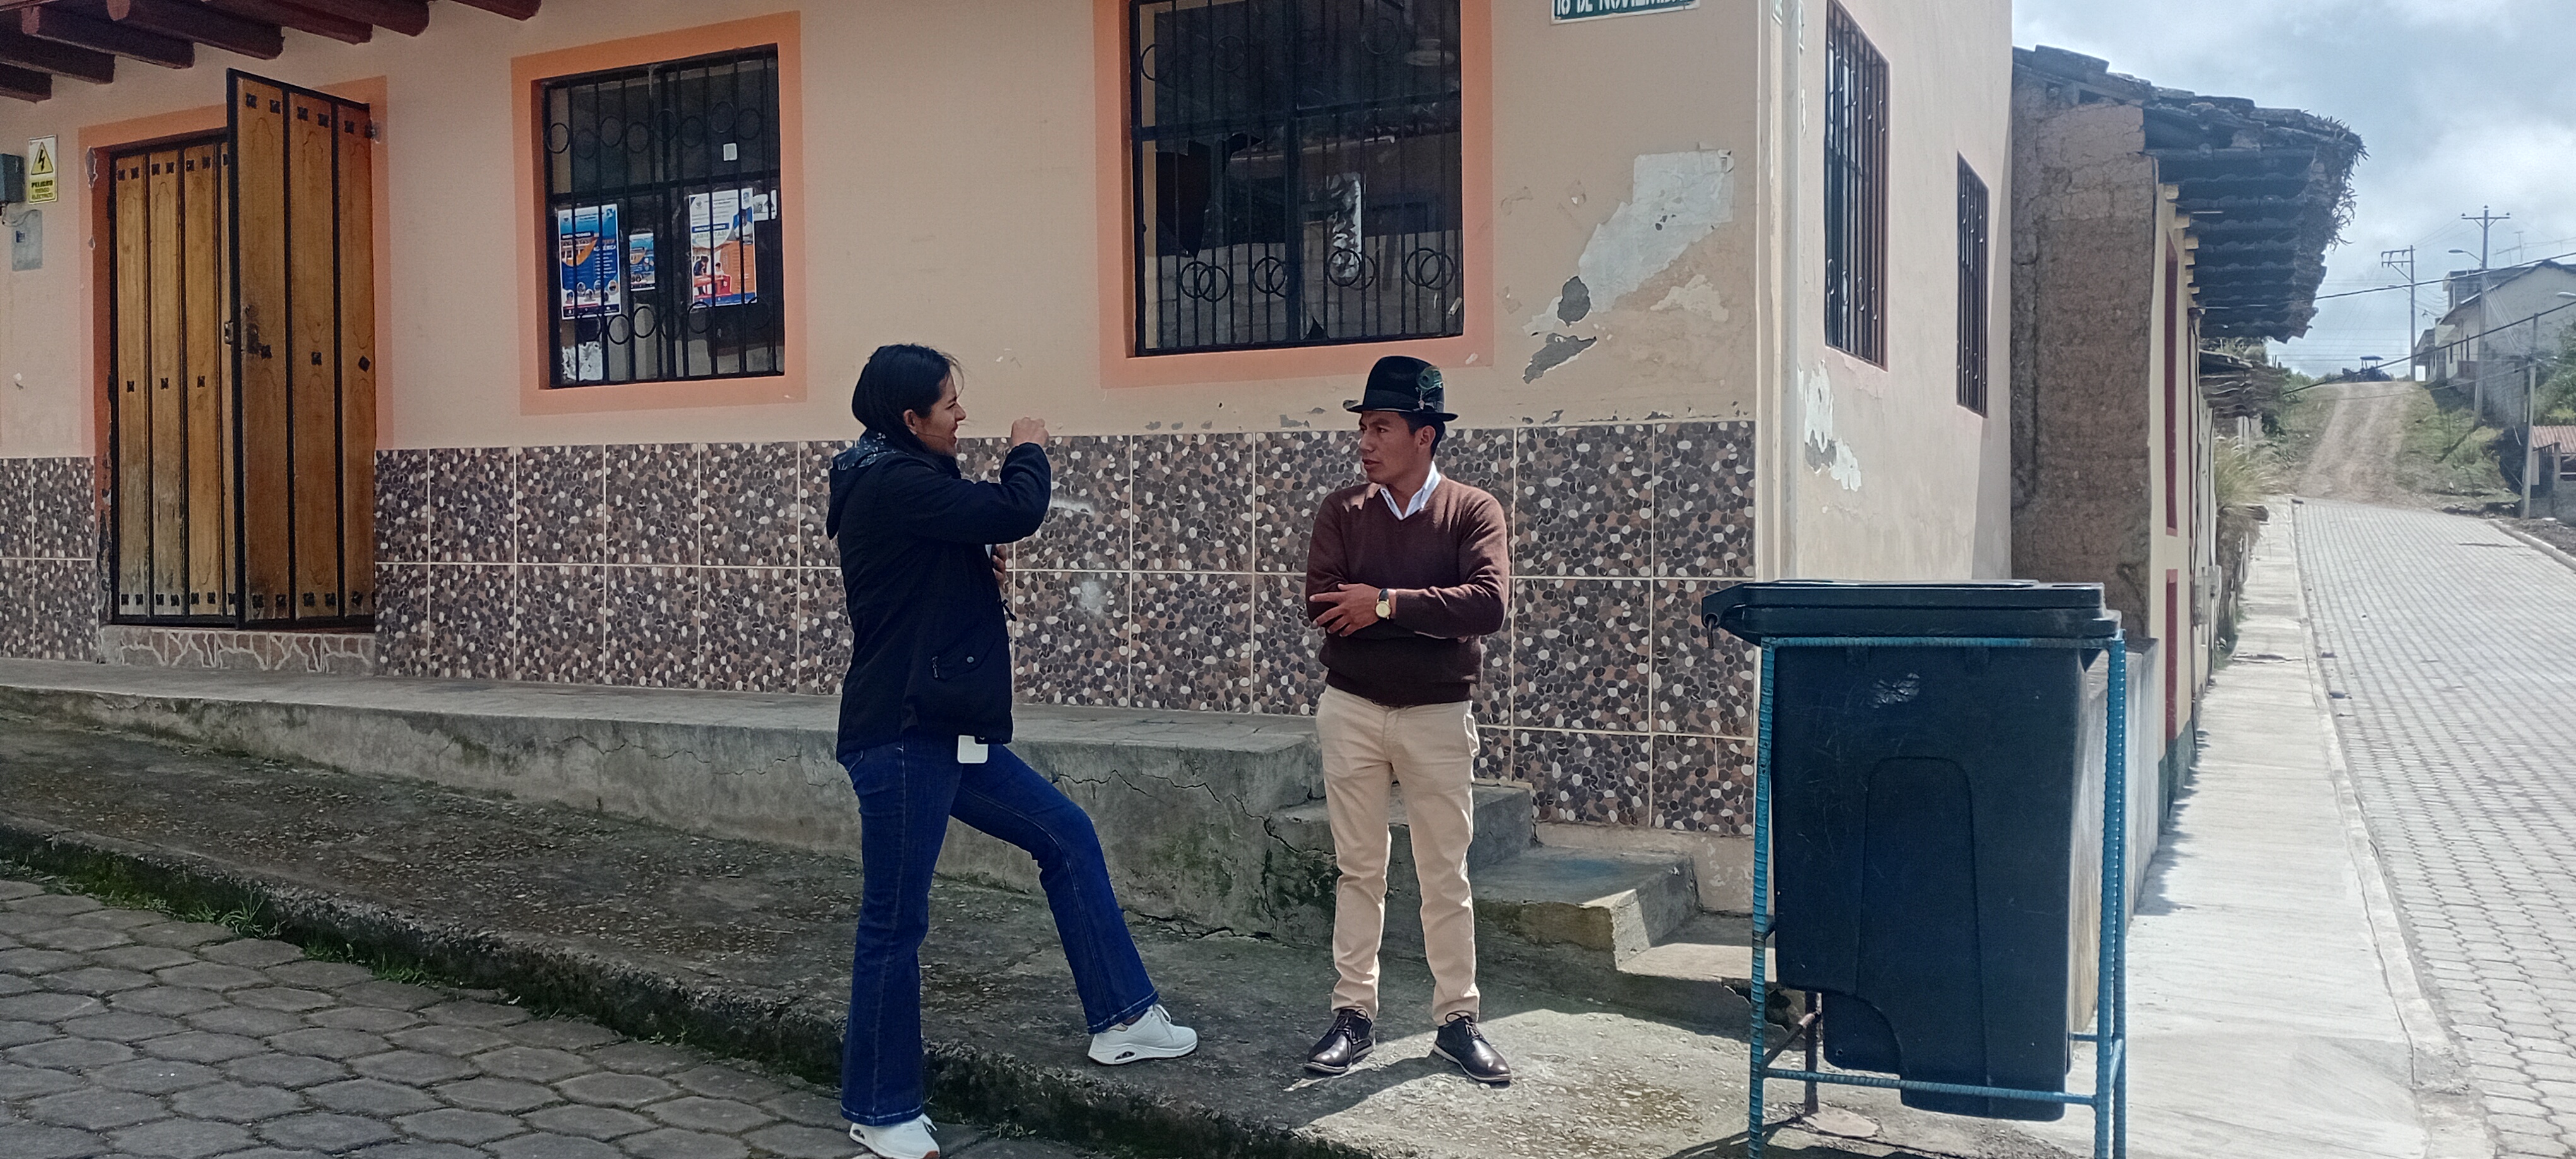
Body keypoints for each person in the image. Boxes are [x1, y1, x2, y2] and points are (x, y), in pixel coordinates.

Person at [828, 344, 1198, 1159]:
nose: (962, 414)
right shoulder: (891, 482)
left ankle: (1124, 1018)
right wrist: (1028, 451)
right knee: (894, 922)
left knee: (1066, 835)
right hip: (903, 738)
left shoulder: (901, 477)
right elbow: (1016, 509)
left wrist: (974, 574)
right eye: (949, 404)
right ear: (910, 419)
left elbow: (934, 572)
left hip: (947, 733)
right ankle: (881, 1108)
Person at [1300, 355, 1513, 1085]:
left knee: (1444, 873)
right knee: (1358, 869)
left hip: (1438, 716)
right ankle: (1352, 1015)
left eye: (1381, 427)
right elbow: (1324, 605)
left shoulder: (1472, 511)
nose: (1365, 442)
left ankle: (1458, 1020)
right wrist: (1428, 612)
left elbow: (1486, 605)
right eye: (1363, 427)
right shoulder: (1342, 511)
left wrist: (1384, 604)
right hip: (1352, 709)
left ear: (1425, 435)